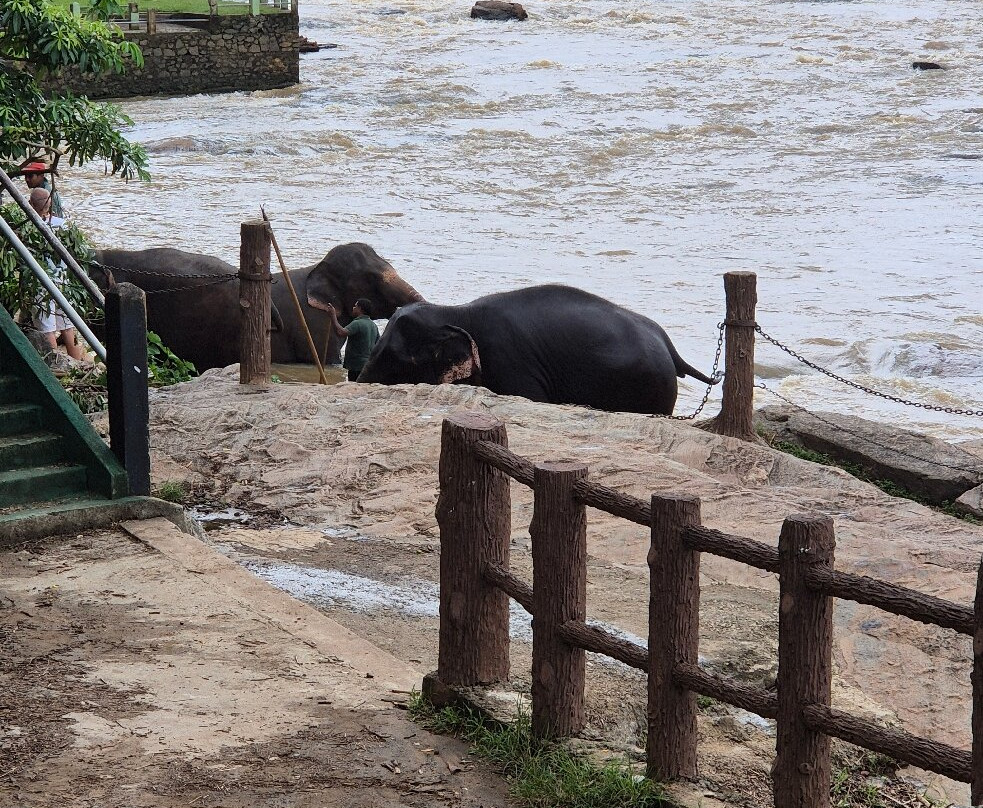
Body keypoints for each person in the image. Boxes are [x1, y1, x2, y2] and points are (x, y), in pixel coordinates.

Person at [28, 188, 85, 362]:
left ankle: (57, 365)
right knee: (67, 325)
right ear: (50, 205)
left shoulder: (29, 227)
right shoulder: (63, 225)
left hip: (42, 281)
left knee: (47, 328)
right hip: (63, 280)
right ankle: (76, 362)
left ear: (30, 204)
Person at [324, 298, 380, 381]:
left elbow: (341, 332)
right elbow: (378, 344)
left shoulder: (357, 323)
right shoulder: (373, 325)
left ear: (360, 309)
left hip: (356, 366)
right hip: (368, 365)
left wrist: (333, 316)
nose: (353, 308)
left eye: (355, 306)